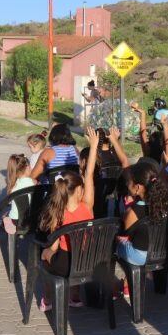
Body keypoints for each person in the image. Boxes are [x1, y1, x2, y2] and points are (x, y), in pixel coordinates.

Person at [36, 128, 99, 310]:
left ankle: (47, 300)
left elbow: (54, 246)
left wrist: (45, 253)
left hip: (65, 265)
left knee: (47, 258)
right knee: (78, 249)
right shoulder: (87, 205)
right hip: (88, 261)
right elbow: (89, 174)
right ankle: (75, 297)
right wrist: (93, 146)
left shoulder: (57, 213)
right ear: (79, 190)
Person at [117, 161, 168, 295]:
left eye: (129, 182)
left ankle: (122, 284)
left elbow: (124, 233)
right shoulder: (167, 202)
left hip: (141, 256)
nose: (127, 185)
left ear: (138, 187)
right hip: (163, 251)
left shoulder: (135, 211)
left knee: (113, 243)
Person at [1, 154, 35, 235]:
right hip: (34, 220)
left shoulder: (13, 185)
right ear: (27, 168)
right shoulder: (34, 182)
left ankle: (7, 222)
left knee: (5, 215)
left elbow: (9, 203)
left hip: (17, 221)